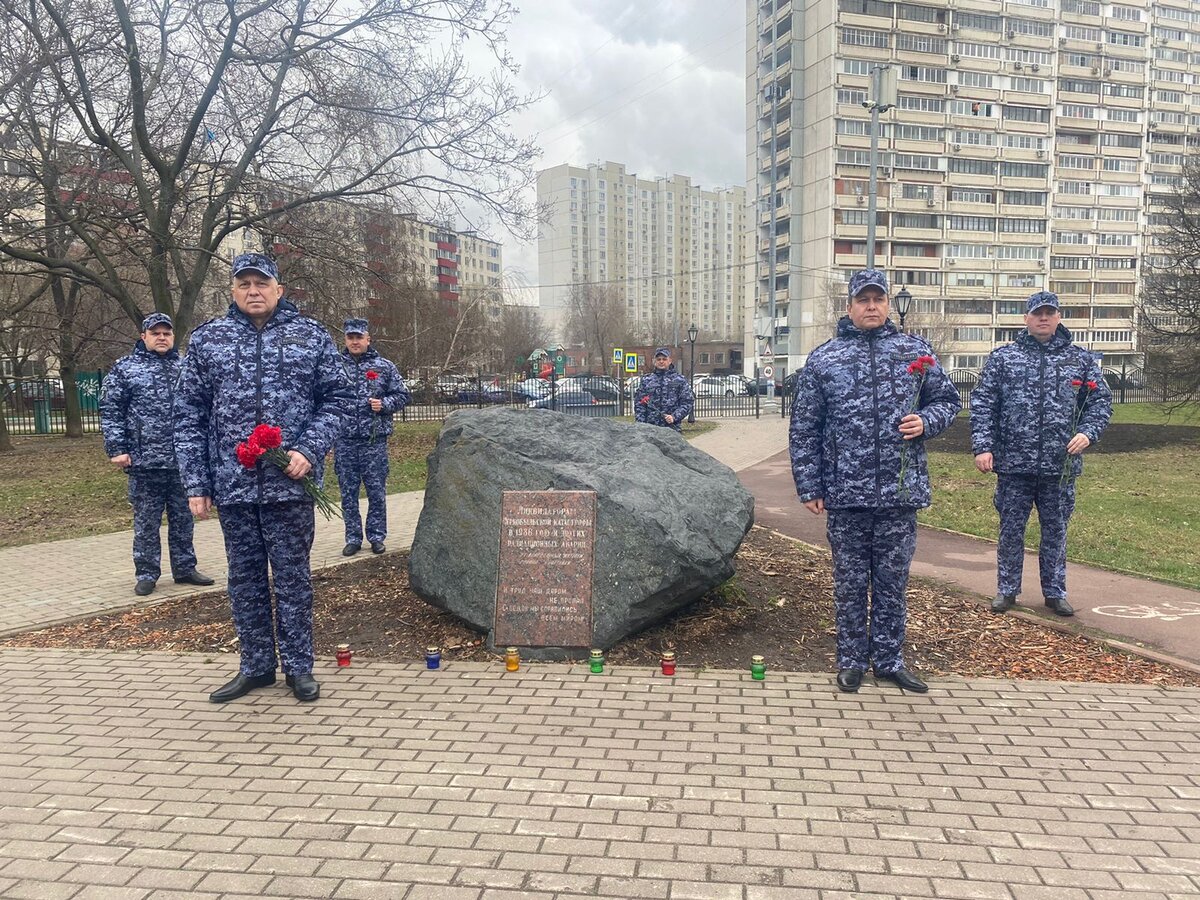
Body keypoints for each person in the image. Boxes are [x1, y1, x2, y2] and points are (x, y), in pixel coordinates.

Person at [174, 252, 352, 704]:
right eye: (244, 284)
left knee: (293, 578)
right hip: (233, 484)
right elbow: (188, 413)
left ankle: (298, 667)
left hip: (290, 484)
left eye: (262, 283)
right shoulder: (208, 340)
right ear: (232, 291)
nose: (253, 291)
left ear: (279, 289)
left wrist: (308, 450)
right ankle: (255, 667)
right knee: (245, 579)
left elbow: (338, 400)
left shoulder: (309, 336)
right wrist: (196, 482)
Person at [789, 269, 960, 694]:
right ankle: (850, 661)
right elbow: (805, 426)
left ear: (887, 305)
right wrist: (810, 485)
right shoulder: (826, 358)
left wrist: (926, 420)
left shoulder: (913, 351)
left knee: (892, 581)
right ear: (849, 306)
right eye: (863, 300)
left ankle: (888, 660)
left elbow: (948, 400)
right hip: (846, 492)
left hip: (898, 493)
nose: (871, 306)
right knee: (849, 582)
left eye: (878, 299)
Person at [970, 290, 1112, 617]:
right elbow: (983, 405)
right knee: (1010, 530)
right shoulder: (1004, 359)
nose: (1043, 318)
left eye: (1050, 312)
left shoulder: (1081, 360)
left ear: (1059, 317)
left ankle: (1055, 591)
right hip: (1013, 464)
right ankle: (1007, 589)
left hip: (1058, 465)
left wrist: (1087, 434)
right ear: (1026, 318)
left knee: (1056, 531)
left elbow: (1100, 404)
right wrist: (983, 446)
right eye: (1037, 313)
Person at [100, 313, 214, 597]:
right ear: (144, 337)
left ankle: (185, 567)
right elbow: (111, 410)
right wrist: (118, 448)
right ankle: (147, 573)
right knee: (146, 522)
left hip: (181, 461)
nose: (162, 338)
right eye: (156, 333)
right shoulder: (126, 369)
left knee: (183, 519)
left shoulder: (186, 367)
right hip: (144, 461)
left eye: (166, 333)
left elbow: (202, 409)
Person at [335, 317, 411, 557]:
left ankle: (377, 536)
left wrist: (384, 404)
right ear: (345, 339)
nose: (355, 342)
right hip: (344, 440)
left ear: (368, 339)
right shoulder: (334, 366)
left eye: (359, 337)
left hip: (373, 441)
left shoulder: (384, 366)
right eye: (351, 337)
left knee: (376, 491)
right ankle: (353, 538)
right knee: (348, 493)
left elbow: (402, 395)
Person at [634, 347, 694, 432]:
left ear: (670, 361)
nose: (661, 361)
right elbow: (639, 404)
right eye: (658, 359)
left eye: (664, 359)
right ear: (655, 361)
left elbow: (687, 402)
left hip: (672, 428)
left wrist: (674, 416)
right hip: (650, 429)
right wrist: (641, 425)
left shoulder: (679, 380)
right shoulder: (646, 380)